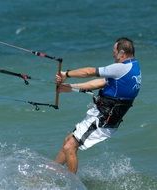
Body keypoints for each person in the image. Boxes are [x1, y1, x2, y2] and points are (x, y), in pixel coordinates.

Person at [55, 37, 141, 173]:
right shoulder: (133, 67)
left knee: (69, 147)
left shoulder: (120, 68)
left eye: (114, 51)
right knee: (68, 140)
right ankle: (53, 171)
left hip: (103, 120)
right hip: (103, 116)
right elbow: (100, 82)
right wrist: (70, 88)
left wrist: (66, 73)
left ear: (122, 53)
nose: (113, 54)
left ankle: (71, 185)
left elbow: (89, 72)